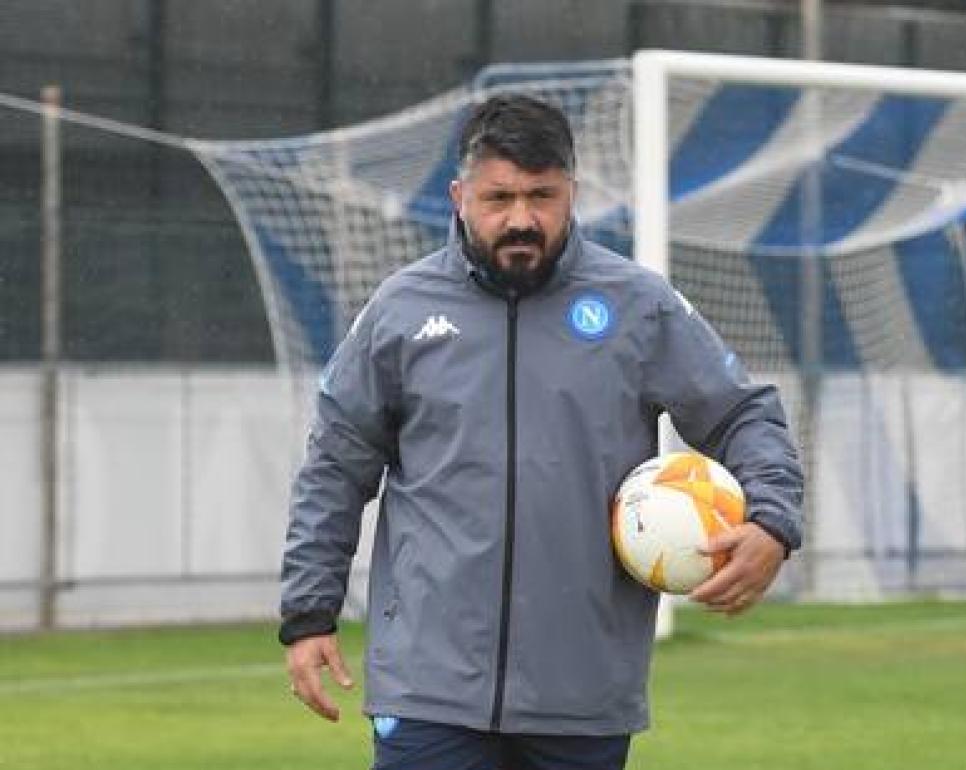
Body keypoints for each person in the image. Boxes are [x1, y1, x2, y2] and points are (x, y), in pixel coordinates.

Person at [280, 93, 803, 770]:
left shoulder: (636, 306)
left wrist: (772, 521)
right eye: (499, 198)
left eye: (541, 196)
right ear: (459, 195)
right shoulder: (401, 311)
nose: (521, 218)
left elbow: (743, 412)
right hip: (429, 688)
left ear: (572, 193)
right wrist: (308, 611)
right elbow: (334, 467)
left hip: (582, 692)